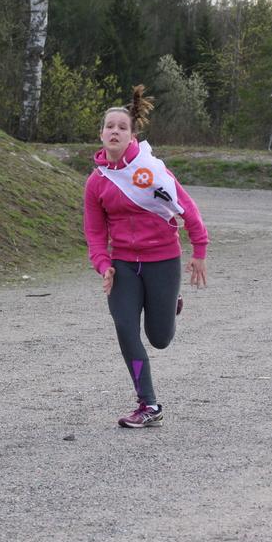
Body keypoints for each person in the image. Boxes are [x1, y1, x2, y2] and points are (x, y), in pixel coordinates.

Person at [83, 85, 209, 428]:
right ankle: (148, 404)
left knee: (160, 338)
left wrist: (199, 250)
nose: (115, 131)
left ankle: (169, 302)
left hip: (162, 261)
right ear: (101, 134)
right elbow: (95, 233)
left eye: (122, 127)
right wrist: (104, 265)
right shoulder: (97, 182)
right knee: (126, 329)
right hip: (123, 265)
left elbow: (187, 208)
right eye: (109, 126)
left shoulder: (150, 170)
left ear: (132, 135)